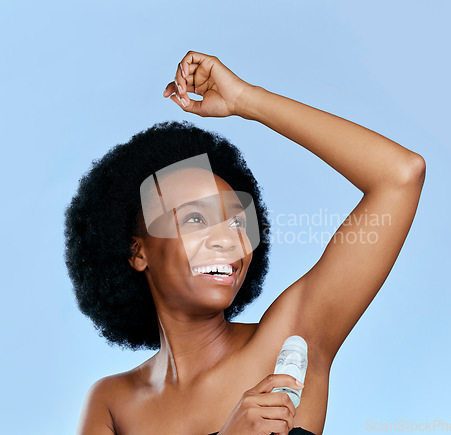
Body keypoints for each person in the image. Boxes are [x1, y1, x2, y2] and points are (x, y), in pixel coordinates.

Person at [67, 51, 426, 435]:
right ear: (137, 251)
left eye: (237, 221)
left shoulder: (289, 340)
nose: (226, 238)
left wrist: (244, 100)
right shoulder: (112, 402)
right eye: (193, 218)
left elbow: (400, 175)